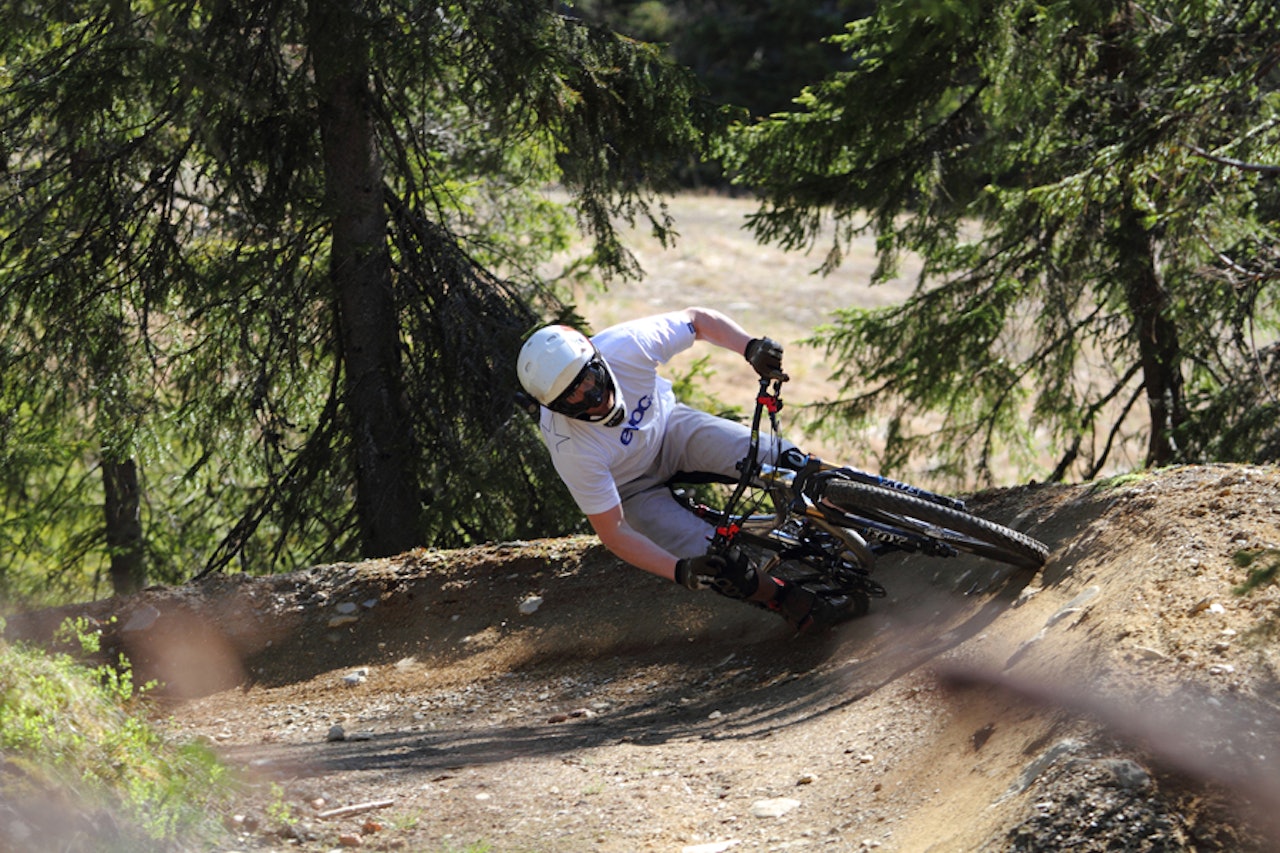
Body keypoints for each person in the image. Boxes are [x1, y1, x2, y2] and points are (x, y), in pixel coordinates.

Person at [516, 307, 839, 633]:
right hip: (632, 488)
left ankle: (847, 504)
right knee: (719, 565)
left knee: (783, 459)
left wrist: (749, 346)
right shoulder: (569, 447)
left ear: (598, 360)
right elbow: (613, 531)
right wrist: (679, 570)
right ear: (556, 408)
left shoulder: (626, 345)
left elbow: (697, 320)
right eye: (572, 397)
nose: (592, 397)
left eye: (587, 379)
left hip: (671, 429)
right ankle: (783, 598)